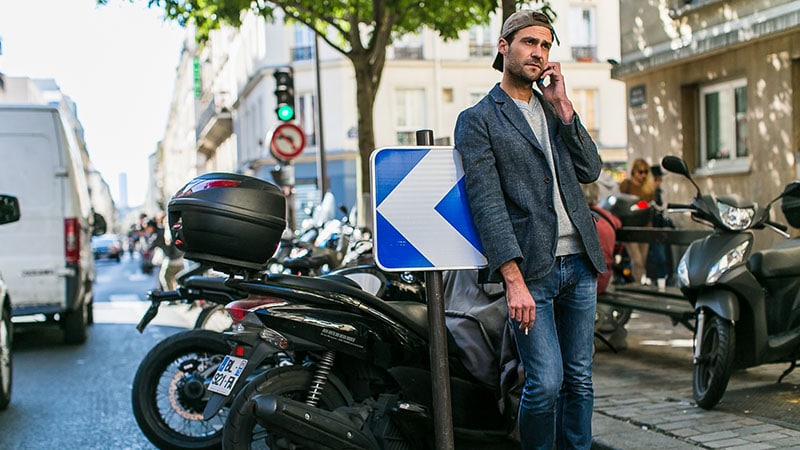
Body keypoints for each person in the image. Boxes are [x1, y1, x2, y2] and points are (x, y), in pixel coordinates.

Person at [454, 10, 606, 450]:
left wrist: (564, 107)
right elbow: (486, 203)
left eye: (545, 46)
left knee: (580, 378)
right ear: (504, 48)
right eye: (529, 43)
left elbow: (590, 169)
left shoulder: (553, 109)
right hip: (531, 271)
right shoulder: (478, 119)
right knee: (546, 381)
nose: (538, 53)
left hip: (579, 262)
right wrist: (512, 280)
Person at [619, 158, 654, 284]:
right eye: (640, 172)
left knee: (643, 259)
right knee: (637, 259)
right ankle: (637, 283)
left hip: (645, 225)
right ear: (634, 171)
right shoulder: (626, 185)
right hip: (630, 226)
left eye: (646, 172)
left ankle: (638, 282)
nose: (643, 175)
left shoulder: (647, 188)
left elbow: (650, 205)